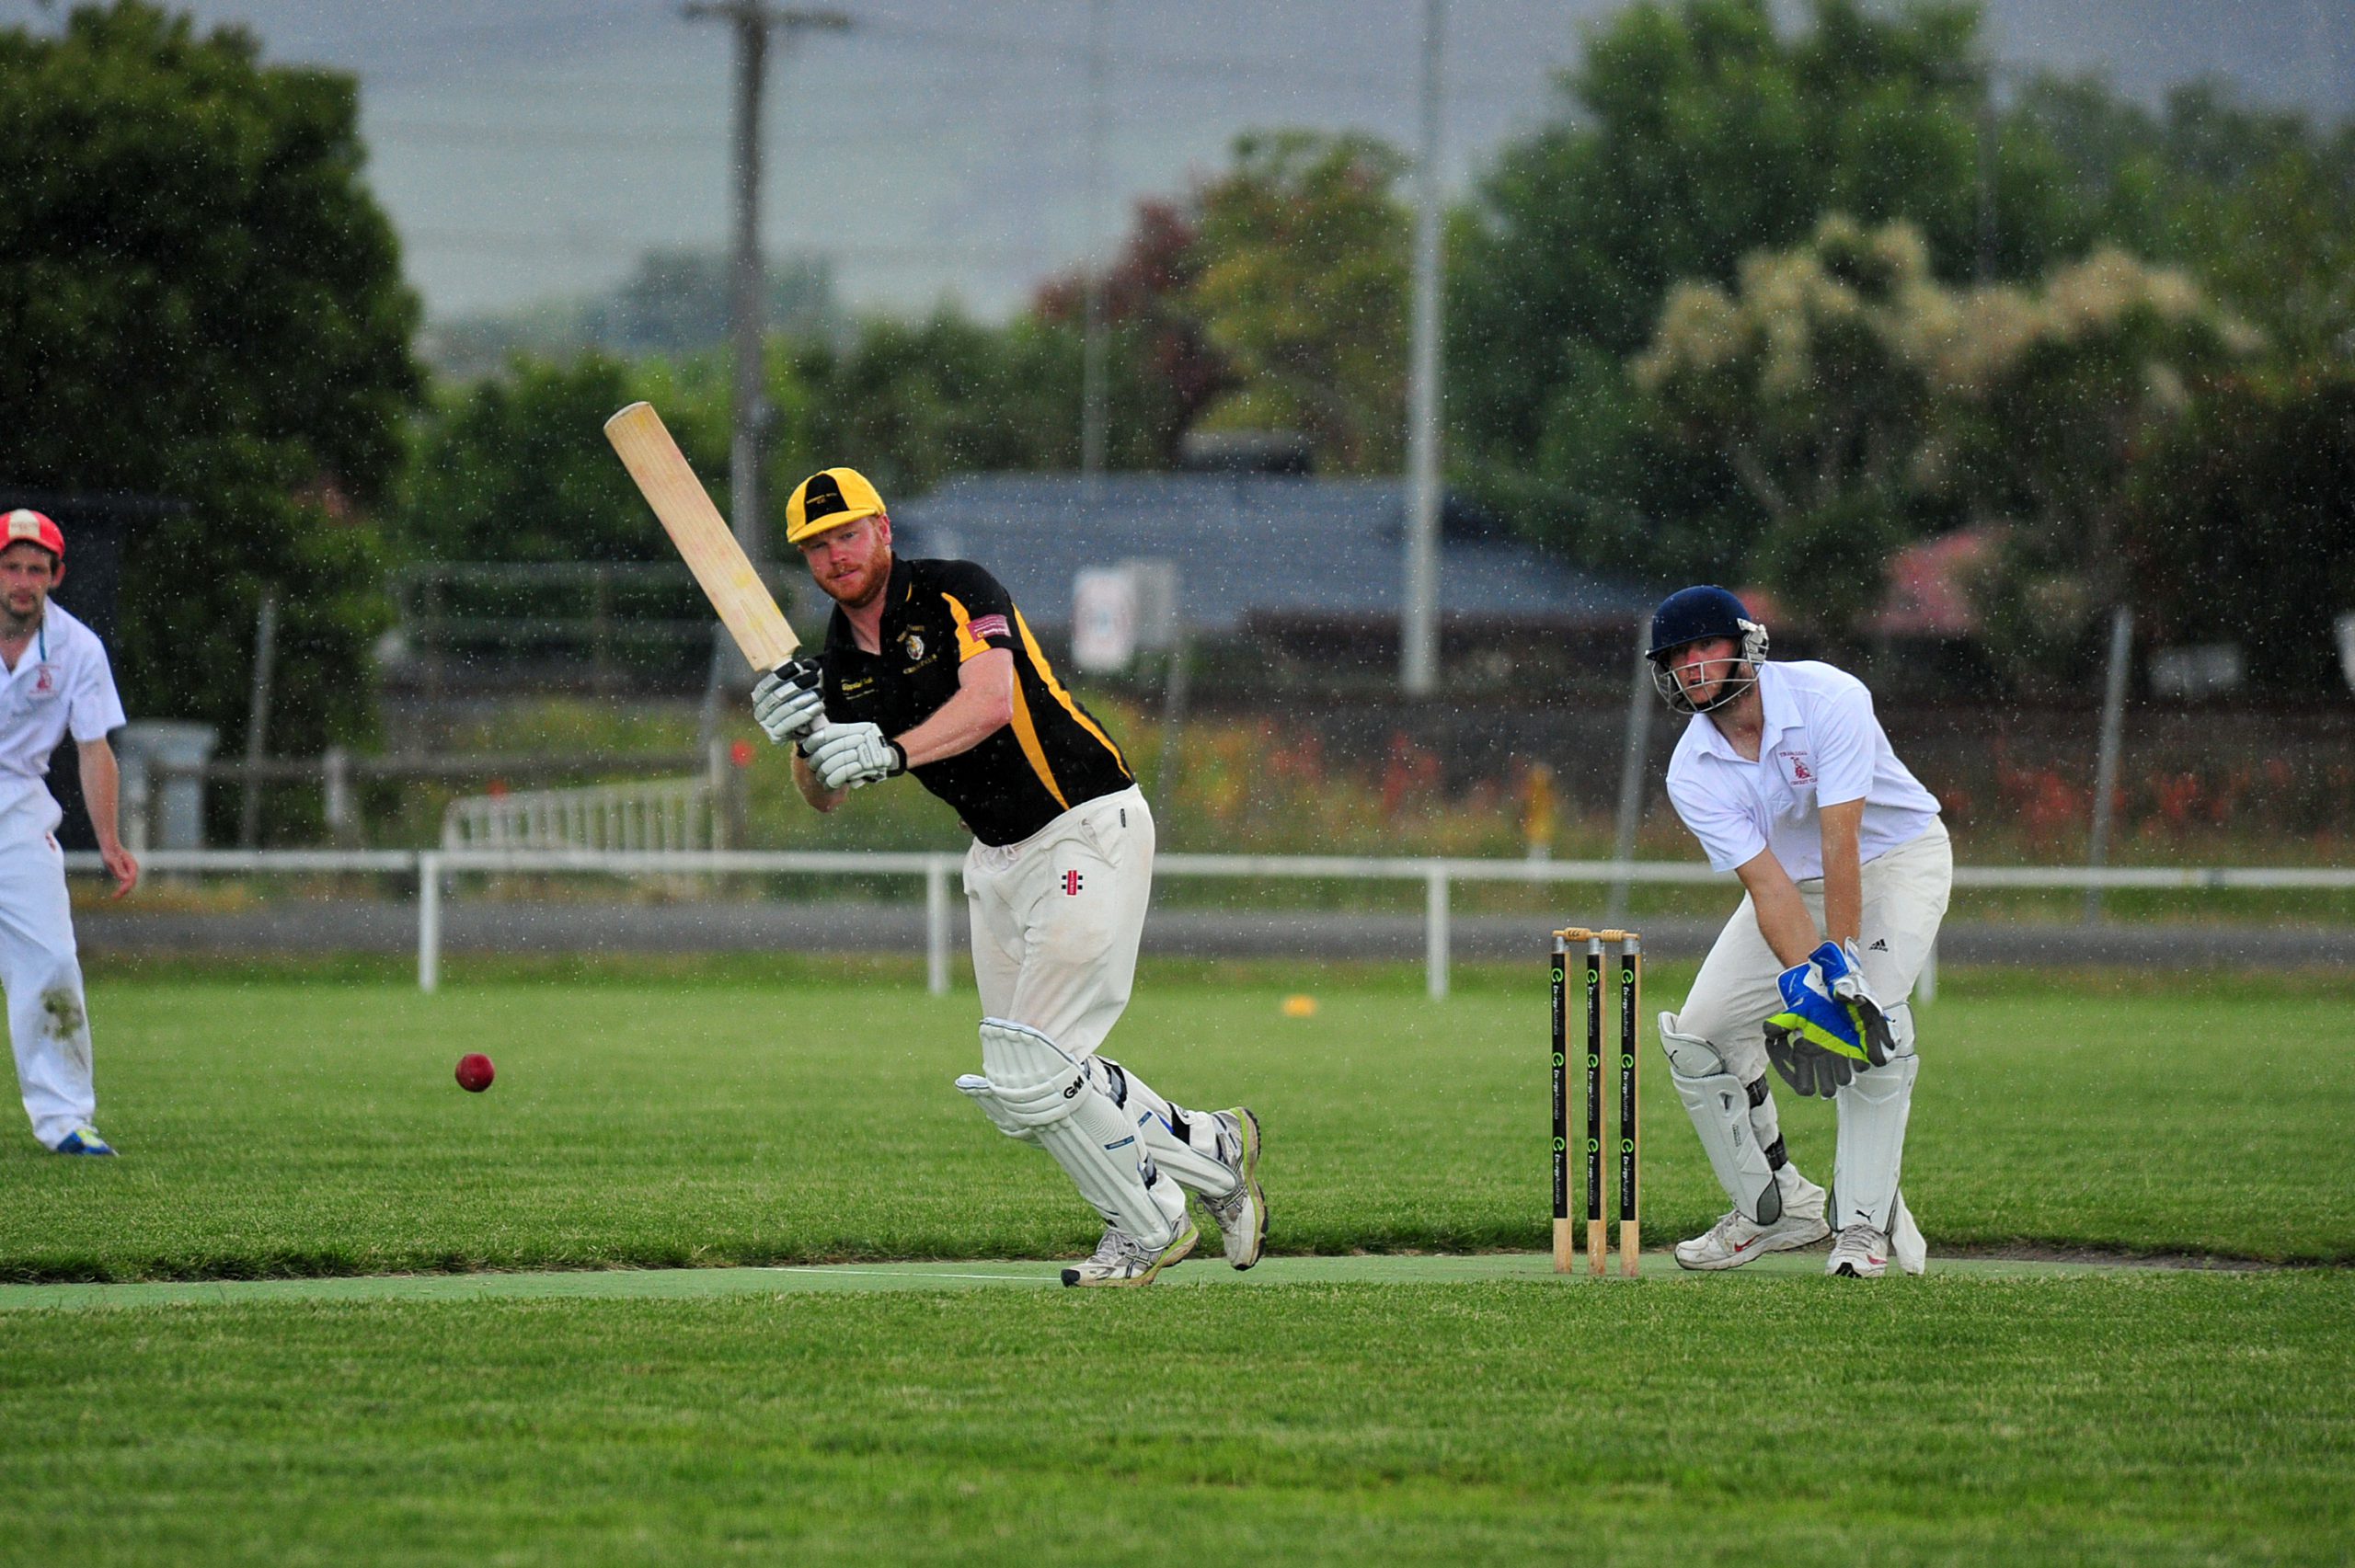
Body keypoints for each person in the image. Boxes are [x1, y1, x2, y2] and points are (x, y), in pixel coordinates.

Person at [748, 467, 1265, 1288]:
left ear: (883, 529)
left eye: (848, 533)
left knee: (1034, 1068)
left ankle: (1150, 1221)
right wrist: (802, 741)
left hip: (1082, 823)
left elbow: (991, 701)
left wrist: (892, 749)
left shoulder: (957, 590)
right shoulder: (840, 662)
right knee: (1031, 1079)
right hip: (997, 859)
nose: (836, 554)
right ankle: (1210, 1146)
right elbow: (826, 796)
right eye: (817, 545)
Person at [1645, 586, 1947, 1277]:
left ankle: (1863, 1227)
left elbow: (1842, 841)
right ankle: (1780, 1207)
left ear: (1746, 644)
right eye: (1677, 656)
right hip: (1792, 881)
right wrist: (1808, 978)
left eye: (1705, 645)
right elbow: (1769, 887)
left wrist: (1844, 971)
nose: (1691, 665)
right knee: (1701, 1037)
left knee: (1871, 1022)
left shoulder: (1829, 697)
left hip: (1895, 861)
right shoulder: (1691, 771)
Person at [0, 509, 139, 1155]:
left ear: (56, 576)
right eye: (11, 566)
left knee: (52, 959)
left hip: (18, 807)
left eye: (36, 568)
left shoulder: (79, 648)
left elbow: (93, 747)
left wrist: (109, 841)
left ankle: (65, 1120)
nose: (22, 580)